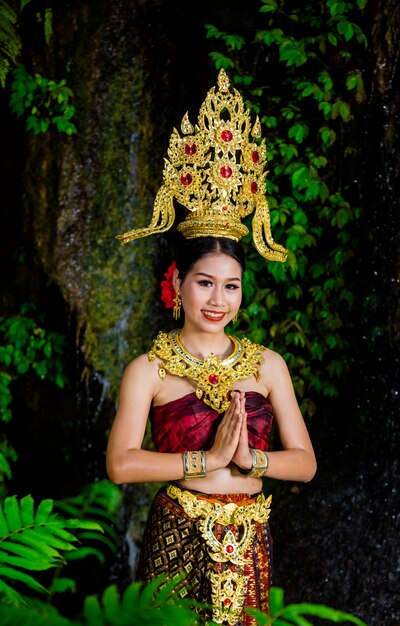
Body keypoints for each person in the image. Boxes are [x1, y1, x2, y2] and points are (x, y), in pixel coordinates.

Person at [106, 70, 316, 625]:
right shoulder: (148, 369)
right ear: (177, 285)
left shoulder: (268, 365)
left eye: (232, 285)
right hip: (177, 531)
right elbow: (121, 465)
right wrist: (207, 460)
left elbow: (306, 463)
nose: (218, 299)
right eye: (205, 283)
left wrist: (251, 460)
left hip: (249, 537)